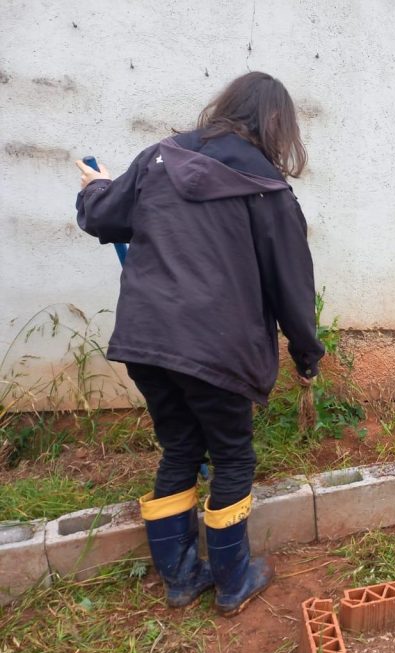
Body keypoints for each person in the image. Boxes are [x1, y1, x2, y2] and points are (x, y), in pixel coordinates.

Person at [75, 72, 324, 615]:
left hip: (146, 341)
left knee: (181, 448)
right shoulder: (267, 190)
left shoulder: (157, 160)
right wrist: (306, 353)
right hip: (217, 347)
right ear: (277, 126)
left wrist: (96, 187)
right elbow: (291, 286)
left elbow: (102, 215)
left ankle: (183, 578)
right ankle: (233, 581)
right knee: (232, 456)